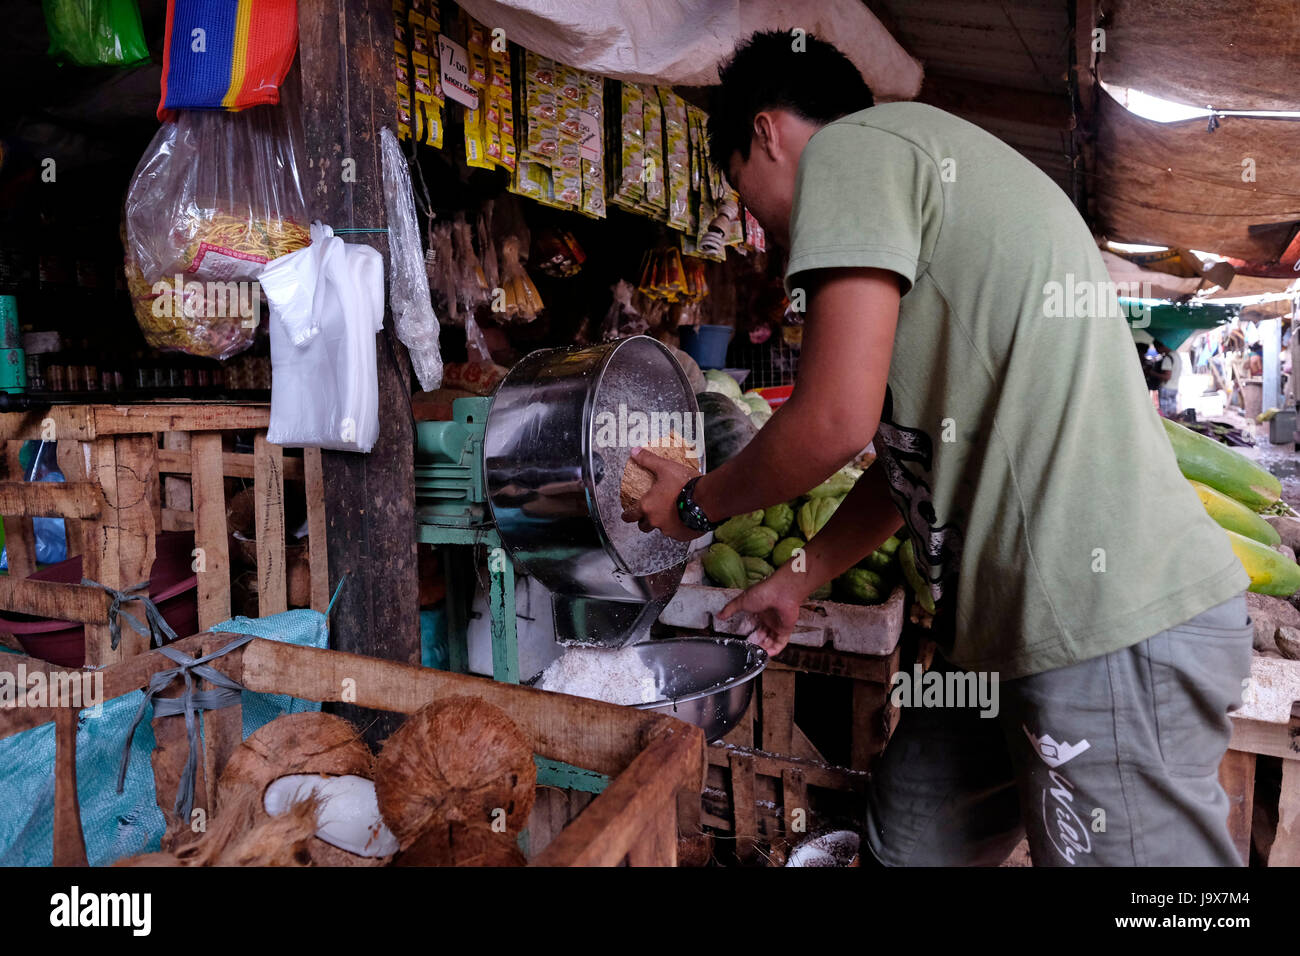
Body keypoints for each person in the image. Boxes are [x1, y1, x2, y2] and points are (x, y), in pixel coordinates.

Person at [622, 31, 1252, 867]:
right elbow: (901, 461)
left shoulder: (853, 150)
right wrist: (800, 576)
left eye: (746, 188)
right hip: (1000, 636)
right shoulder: (919, 181)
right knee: (912, 843)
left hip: (1105, 621)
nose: (763, 226)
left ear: (769, 132)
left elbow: (832, 421)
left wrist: (695, 503)